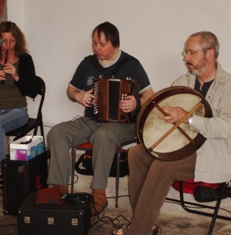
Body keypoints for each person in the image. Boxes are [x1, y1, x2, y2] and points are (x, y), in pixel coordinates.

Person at [113, 31, 231, 235]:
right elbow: (167, 110)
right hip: (180, 144)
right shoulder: (184, 80)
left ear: (209, 54)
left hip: (210, 152)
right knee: (136, 153)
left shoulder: (229, 86)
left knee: (162, 166)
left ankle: (138, 230)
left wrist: (189, 118)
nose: (185, 58)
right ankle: (146, 225)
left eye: (191, 52)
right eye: (186, 52)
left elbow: (228, 126)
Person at [47, 21, 154, 215]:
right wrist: (79, 96)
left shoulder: (131, 64)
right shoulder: (88, 63)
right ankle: (58, 189)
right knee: (57, 133)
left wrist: (135, 102)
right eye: (94, 43)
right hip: (92, 120)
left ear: (115, 44)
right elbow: (71, 90)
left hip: (124, 124)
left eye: (102, 44)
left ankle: (98, 195)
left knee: (103, 135)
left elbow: (150, 96)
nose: (97, 48)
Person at [0, 21, 40, 187]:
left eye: (12, 41)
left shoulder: (25, 60)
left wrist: (17, 76)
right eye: (4, 41)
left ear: (17, 40)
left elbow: (33, 90)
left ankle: (1, 172)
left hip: (17, 110)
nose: (8, 45)